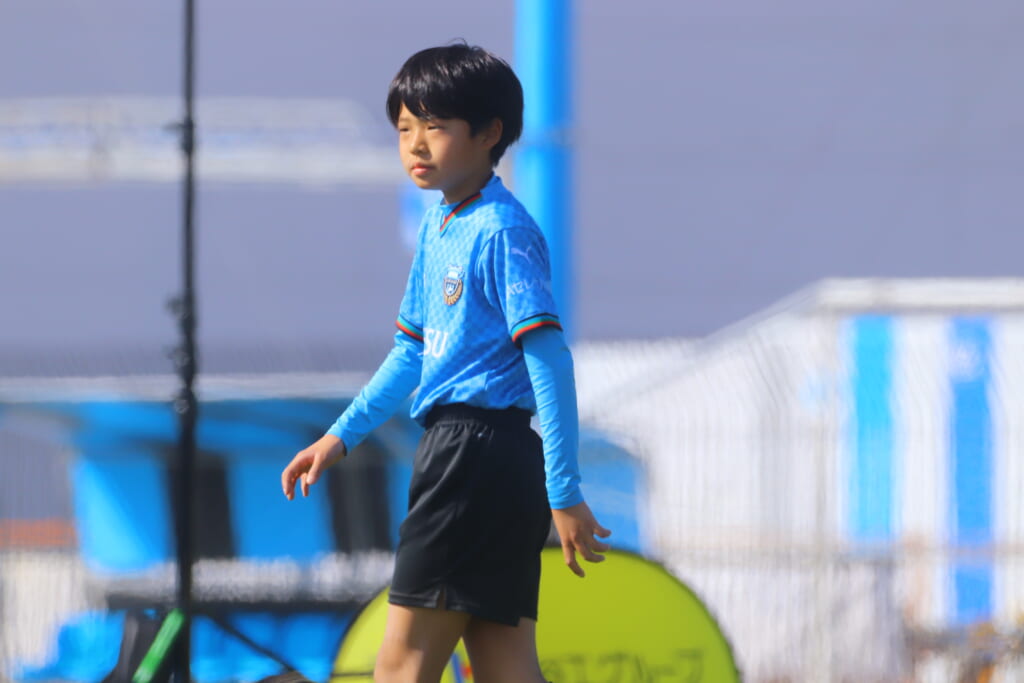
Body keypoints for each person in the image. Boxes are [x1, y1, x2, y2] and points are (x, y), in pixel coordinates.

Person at [280, 43, 610, 683]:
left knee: (401, 665)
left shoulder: (502, 230)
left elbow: (549, 358)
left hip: (472, 458)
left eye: (434, 126)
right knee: (504, 664)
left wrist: (565, 489)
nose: (416, 145)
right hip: (483, 459)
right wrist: (338, 437)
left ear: (489, 133)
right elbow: (412, 352)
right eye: (405, 128)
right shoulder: (439, 227)